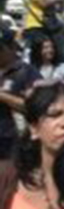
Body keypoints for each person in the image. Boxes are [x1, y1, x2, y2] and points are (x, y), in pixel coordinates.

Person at [0, 24, 41, 159]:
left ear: (12, 47)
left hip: (13, 146)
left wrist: (3, 97)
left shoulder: (27, 72)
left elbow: (37, 107)